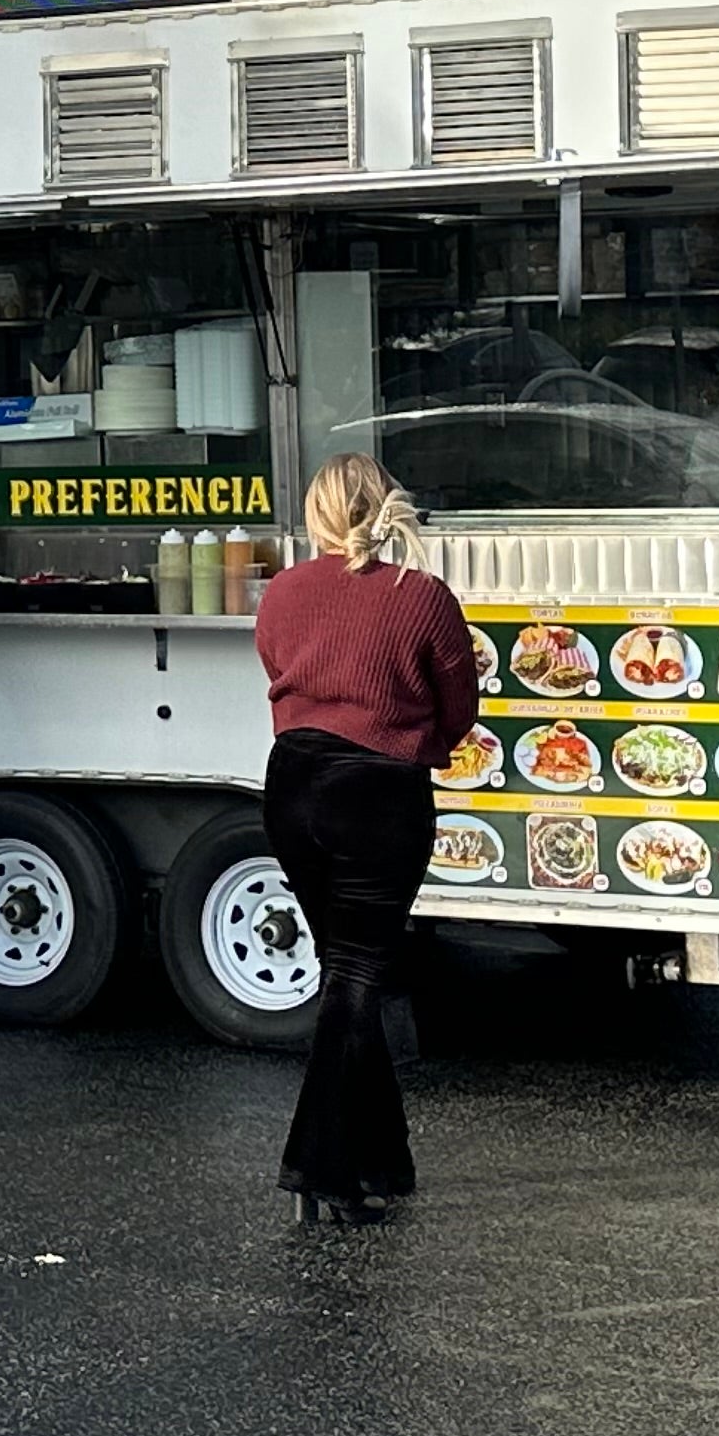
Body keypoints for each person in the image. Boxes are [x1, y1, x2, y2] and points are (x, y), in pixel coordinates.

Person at [248, 453, 478, 1225]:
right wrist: (420, 745)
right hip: (380, 788)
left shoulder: (282, 591)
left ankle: (383, 1160)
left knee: (346, 971)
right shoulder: (422, 598)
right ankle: (319, 1166)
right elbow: (458, 704)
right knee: (355, 978)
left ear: (314, 516)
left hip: (293, 781)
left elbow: (277, 666)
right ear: (384, 508)